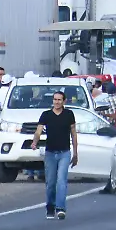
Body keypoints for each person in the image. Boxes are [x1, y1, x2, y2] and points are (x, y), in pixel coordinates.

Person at [31, 91, 78, 219]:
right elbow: (38, 131)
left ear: (64, 101)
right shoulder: (46, 115)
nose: (57, 102)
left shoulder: (69, 114)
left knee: (61, 181)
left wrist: (75, 153)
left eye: (59, 100)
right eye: (55, 99)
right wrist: (34, 142)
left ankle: (60, 208)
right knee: (51, 183)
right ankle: (50, 207)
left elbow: (73, 134)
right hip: (50, 153)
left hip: (64, 152)